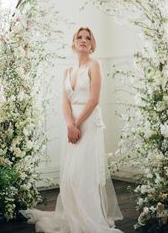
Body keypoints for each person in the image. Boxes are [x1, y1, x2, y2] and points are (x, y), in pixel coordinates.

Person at [20, 26, 124, 233]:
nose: (83, 40)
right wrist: (69, 125)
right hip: (71, 124)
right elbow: (65, 102)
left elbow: (94, 100)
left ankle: (89, 216)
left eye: (88, 37)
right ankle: (72, 213)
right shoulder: (67, 71)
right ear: (74, 43)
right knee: (71, 173)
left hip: (87, 123)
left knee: (84, 171)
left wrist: (76, 125)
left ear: (92, 44)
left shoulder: (95, 66)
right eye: (79, 37)